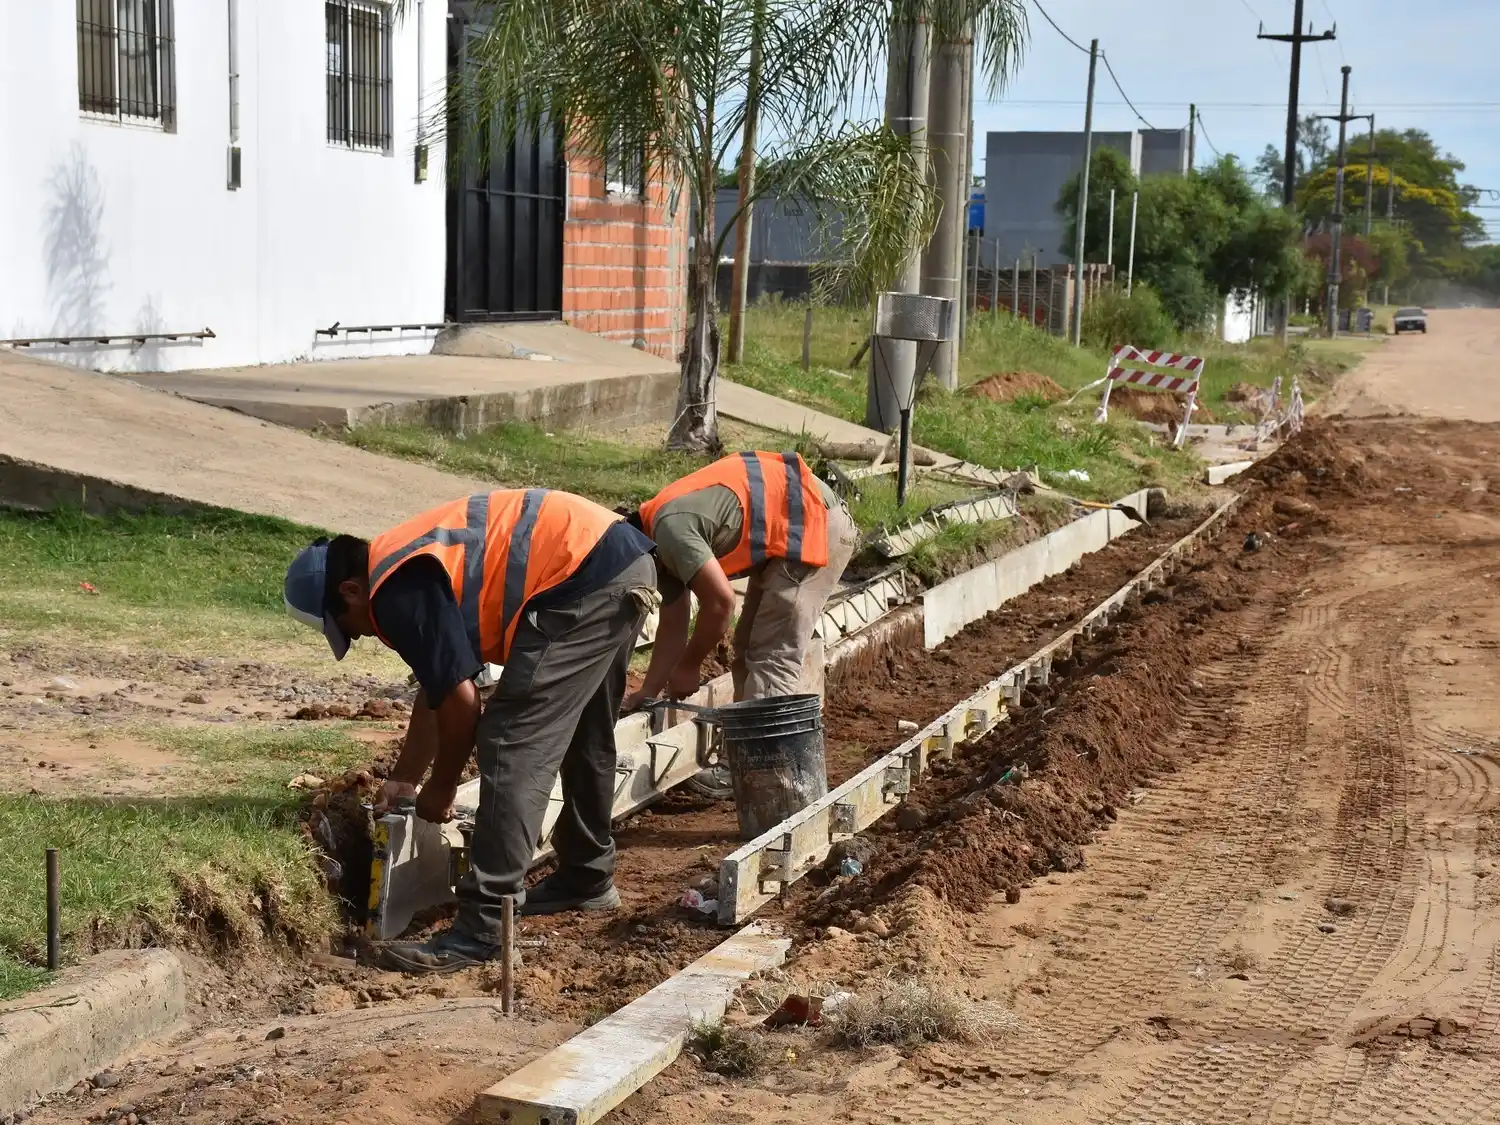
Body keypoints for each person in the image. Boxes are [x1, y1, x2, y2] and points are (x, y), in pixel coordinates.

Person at [283, 488, 657, 974]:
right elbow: (440, 686)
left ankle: (483, 929)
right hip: (614, 561)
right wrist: (406, 778)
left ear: (350, 591)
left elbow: (462, 702)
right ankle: (587, 875)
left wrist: (440, 787)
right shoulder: (404, 566)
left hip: (582, 575)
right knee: (585, 729)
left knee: (510, 739)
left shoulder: (394, 588)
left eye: (349, 628)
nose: (362, 636)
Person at [622, 451, 859, 711]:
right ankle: (744, 742)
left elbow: (721, 603)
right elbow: (673, 626)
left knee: (772, 657)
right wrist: (649, 691)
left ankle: (766, 750)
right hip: (787, 527)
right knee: (746, 647)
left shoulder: (669, 530)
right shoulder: (655, 548)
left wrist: (689, 665)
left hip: (814, 521)